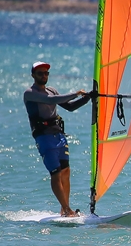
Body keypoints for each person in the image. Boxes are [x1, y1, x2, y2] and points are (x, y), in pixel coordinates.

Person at [23, 61, 92, 217]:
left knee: (66, 171)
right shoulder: (29, 93)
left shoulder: (52, 90)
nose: (44, 75)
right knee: (55, 173)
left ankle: (65, 209)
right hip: (44, 137)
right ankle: (67, 209)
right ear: (33, 75)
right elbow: (52, 101)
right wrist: (76, 93)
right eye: (40, 73)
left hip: (59, 135)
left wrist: (88, 98)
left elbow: (70, 107)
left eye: (46, 73)